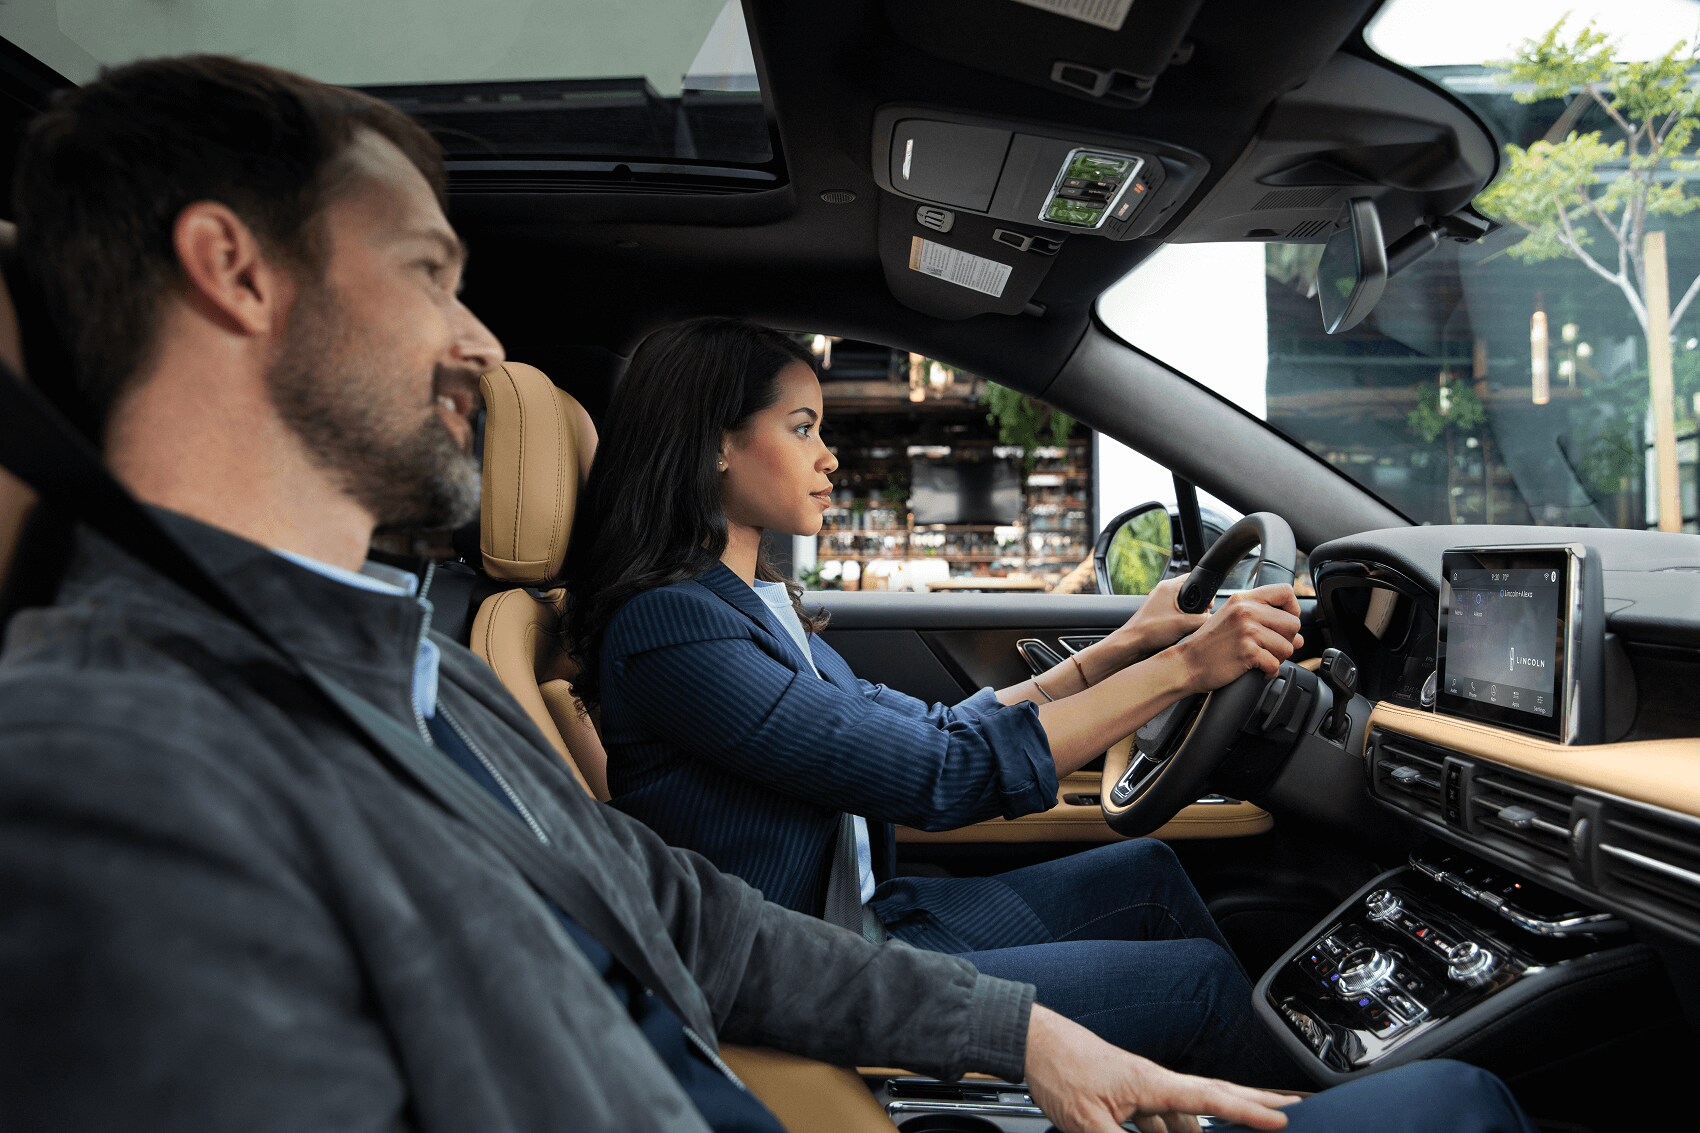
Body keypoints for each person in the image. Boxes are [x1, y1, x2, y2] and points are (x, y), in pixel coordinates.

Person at [0, 54, 1536, 1133]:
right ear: (235, 270)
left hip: (794, 1053)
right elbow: (912, 781)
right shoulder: (105, 766)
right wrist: (1181, 671)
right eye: (427, 272)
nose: (480, 344)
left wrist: (1025, 1035)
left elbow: (694, 923)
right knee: (1459, 1095)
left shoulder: (418, 667)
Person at [567, 317, 1305, 1083]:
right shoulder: (671, 625)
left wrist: (1128, 643)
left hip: (865, 919)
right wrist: (1185, 667)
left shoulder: (749, 604)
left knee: (1148, 869)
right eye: (802, 428)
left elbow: (939, 728)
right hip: (818, 970)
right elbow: (941, 773)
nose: (829, 456)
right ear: (715, 442)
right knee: (1201, 985)